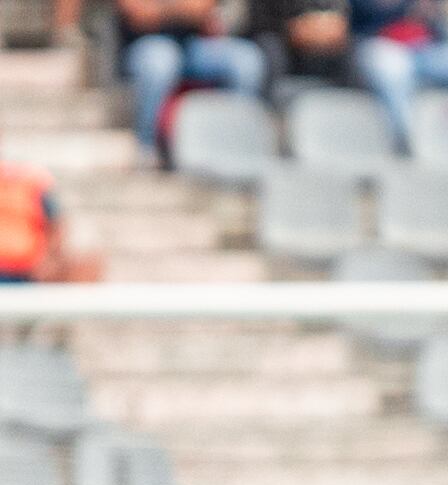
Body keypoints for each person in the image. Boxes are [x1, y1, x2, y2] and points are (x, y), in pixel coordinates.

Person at [348, 0, 448, 144]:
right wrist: (402, 7)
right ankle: (407, 145)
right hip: (380, 44)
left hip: (428, 48)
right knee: (391, 67)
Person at [118, 0, 268, 151]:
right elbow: (140, 15)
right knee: (161, 62)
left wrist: (162, 10)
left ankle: (237, 145)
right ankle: (146, 148)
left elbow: (201, 8)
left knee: (246, 60)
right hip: (148, 44)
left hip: (194, 45)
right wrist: (184, 9)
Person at [0, 149, 100, 283]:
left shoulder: (29, 180)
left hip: (27, 270)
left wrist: (49, 259)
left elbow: (57, 223)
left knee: (88, 261)